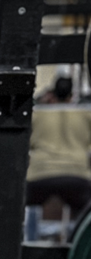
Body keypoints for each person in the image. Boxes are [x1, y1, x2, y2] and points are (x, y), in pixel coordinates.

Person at [26, 74, 91, 222]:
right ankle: (75, 242)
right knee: (85, 218)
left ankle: (18, 241)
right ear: (71, 95)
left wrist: (42, 100)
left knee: (18, 209)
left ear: (53, 93)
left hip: (40, 174)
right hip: (76, 174)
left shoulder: (38, 113)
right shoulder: (85, 113)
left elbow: (27, 140)